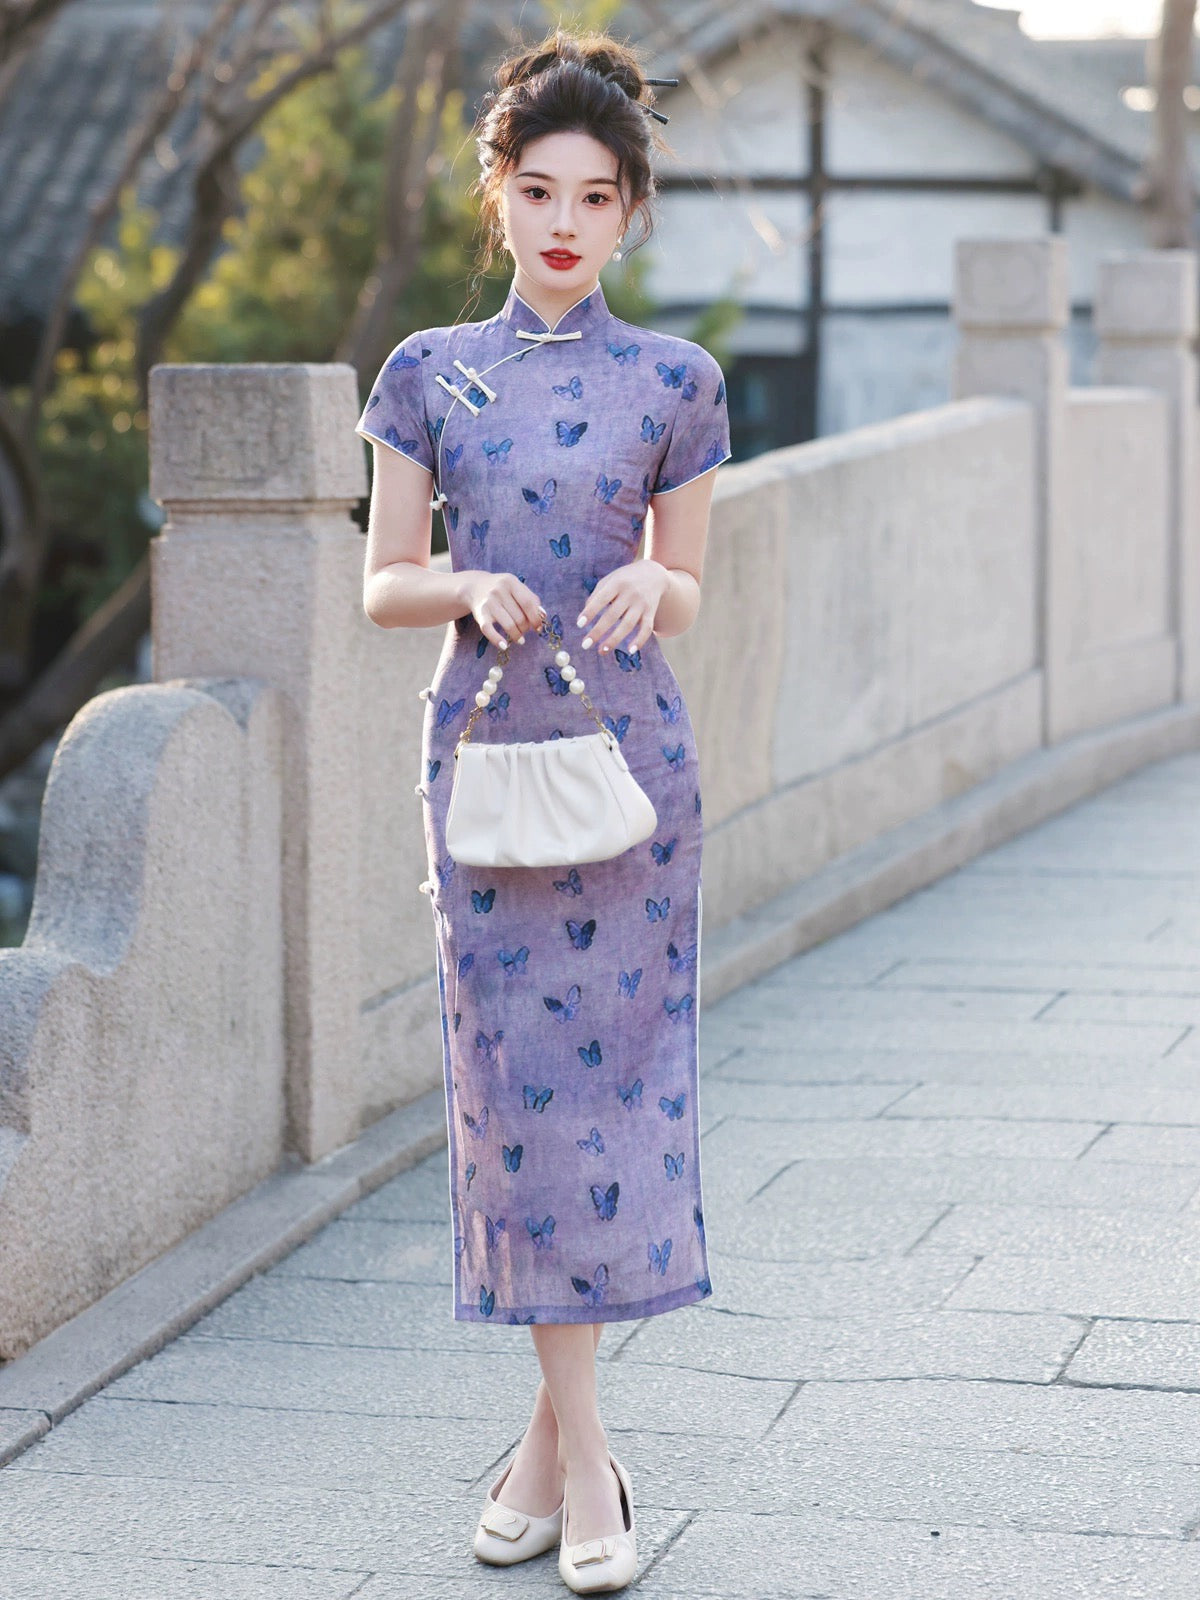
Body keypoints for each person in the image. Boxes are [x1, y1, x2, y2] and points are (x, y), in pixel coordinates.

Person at [355, 23, 732, 1594]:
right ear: (496, 197)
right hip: (481, 774)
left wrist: (655, 572)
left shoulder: (678, 381)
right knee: (517, 1121)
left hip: (630, 781)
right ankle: (586, 1464)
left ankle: (560, 1464)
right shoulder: (427, 377)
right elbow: (382, 587)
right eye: (538, 189)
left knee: (614, 1115)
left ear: (631, 213)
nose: (565, 220)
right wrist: (463, 578)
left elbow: (690, 582)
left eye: (597, 195)